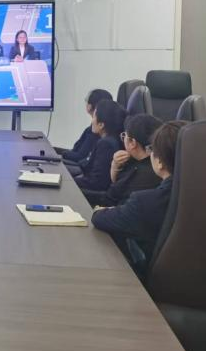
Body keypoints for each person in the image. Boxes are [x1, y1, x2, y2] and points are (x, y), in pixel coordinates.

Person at [92, 120, 187, 273]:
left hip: (152, 283)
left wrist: (101, 210)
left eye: (152, 149)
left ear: (160, 162)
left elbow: (99, 218)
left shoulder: (145, 202)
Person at [83, 114, 162, 207]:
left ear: (132, 143)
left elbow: (111, 198)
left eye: (124, 135)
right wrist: (115, 167)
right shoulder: (140, 161)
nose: (123, 138)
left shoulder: (141, 173)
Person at [74, 99, 126, 192]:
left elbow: (96, 183)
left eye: (94, 116)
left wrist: (69, 182)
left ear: (101, 125)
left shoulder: (106, 144)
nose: (92, 121)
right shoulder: (113, 139)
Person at [54, 89, 114, 163]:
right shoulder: (103, 129)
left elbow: (80, 156)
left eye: (86, 101)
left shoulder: (95, 132)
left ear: (90, 106)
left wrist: (60, 153)